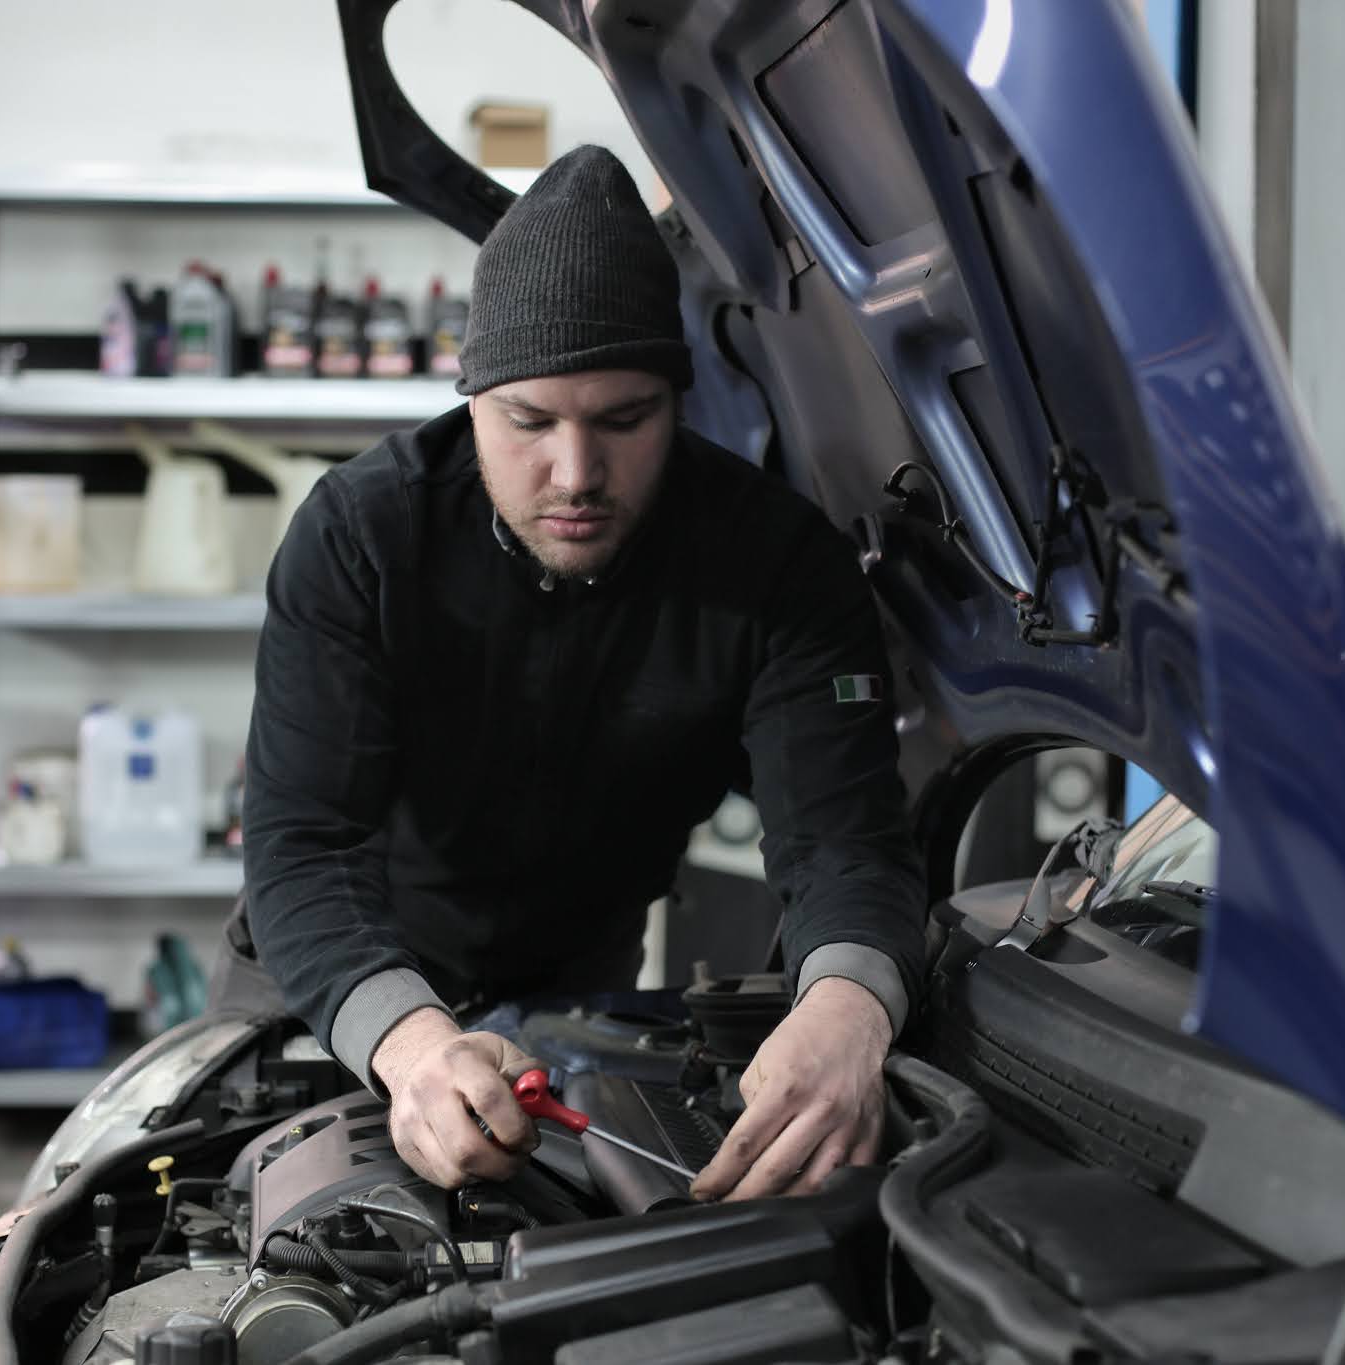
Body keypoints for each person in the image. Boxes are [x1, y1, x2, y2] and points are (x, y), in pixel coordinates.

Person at [232, 144, 925, 1203]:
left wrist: (843, 1009)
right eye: (529, 421)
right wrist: (413, 1046)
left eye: (623, 419)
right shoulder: (362, 538)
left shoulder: (776, 565)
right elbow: (302, 849)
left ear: (674, 399)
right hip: (332, 994)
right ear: (469, 401)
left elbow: (842, 837)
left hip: (575, 1008)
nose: (575, 474)